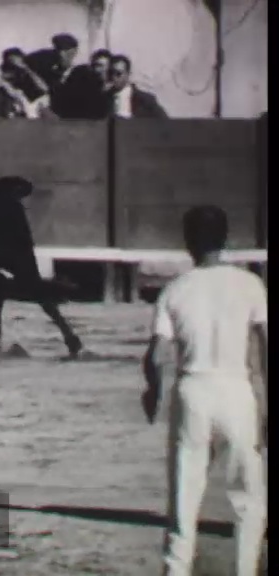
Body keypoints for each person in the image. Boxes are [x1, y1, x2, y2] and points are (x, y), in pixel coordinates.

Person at [141, 205, 267, 576]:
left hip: (193, 391)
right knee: (248, 496)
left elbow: (157, 355)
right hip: (237, 390)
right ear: (226, 238)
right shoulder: (249, 285)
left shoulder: (176, 289)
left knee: (184, 493)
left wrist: (152, 392)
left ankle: (177, 570)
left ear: (188, 241)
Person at [108, 54, 168, 118]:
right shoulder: (104, 99)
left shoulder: (146, 101)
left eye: (118, 73)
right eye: (111, 73)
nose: (113, 77)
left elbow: (165, 122)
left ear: (128, 74)